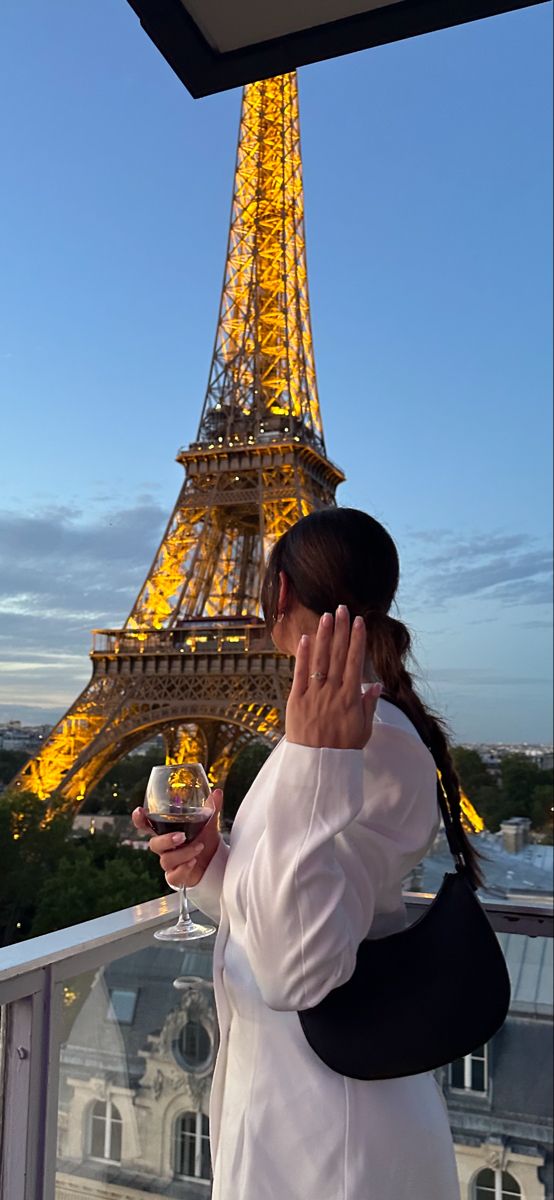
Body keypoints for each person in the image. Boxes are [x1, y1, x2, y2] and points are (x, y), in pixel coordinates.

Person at [133, 508, 477, 1200]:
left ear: (280, 590)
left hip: (334, 1139)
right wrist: (211, 868)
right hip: (296, 1112)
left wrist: (317, 759)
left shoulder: (363, 741)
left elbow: (296, 970)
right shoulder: (330, 730)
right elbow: (294, 896)